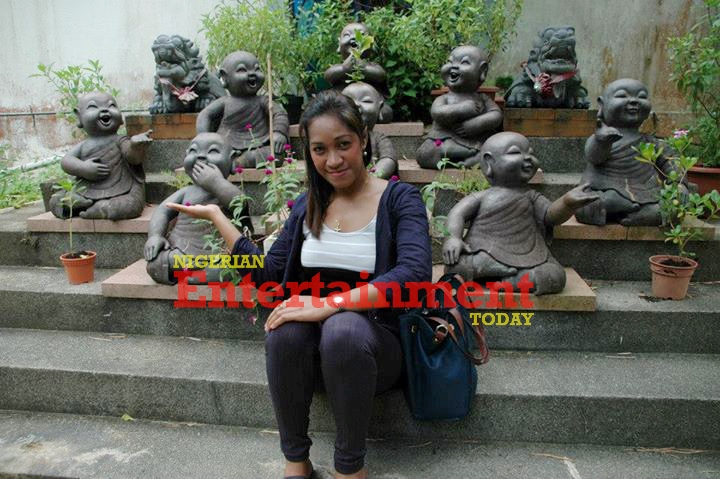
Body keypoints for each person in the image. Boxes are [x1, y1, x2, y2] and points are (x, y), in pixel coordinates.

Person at [168, 90, 432, 478]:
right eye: (320, 149)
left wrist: (328, 304)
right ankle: (296, 461)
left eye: (343, 145)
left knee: (343, 328)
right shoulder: (308, 206)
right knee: (285, 329)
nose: (333, 160)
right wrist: (220, 219)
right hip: (314, 358)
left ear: (363, 139)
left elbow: (414, 275)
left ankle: (350, 467)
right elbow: (269, 276)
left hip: (375, 351)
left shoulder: (399, 199)